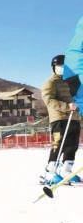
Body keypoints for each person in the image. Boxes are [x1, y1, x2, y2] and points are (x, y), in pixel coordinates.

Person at [40, 54, 80, 185]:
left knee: (72, 145)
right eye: (59, 66)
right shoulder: (50, 82)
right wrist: (67, 107)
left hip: (74, 118)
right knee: (59, 143)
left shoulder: (72, 82)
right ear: (54, 67)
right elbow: (49, 100)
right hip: (59, 118)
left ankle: (66, 170)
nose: (62, 68)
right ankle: (50, 171)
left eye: (64, 66)